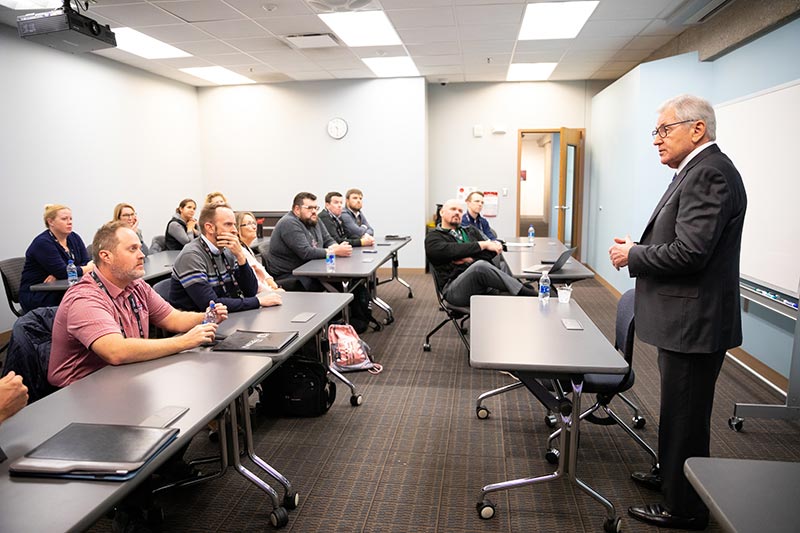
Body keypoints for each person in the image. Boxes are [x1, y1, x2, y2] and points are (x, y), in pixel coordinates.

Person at [608, 94, 747, 531]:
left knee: (685, 416)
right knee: (676, 409)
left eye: (664, 130)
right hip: (687, 320)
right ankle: (669, 474)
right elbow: (684, 240)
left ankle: (684, 507)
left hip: (694, 323)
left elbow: (690, 253)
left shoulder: (709, 174)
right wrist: (641, 248)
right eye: (657, 131)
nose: (657, 140)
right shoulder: (697, 170)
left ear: (697, 129)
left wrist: (634, 255)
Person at [48, 221, 227, 388]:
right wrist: (184, 342)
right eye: (132, 249)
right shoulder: (84, 298)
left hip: (124, 376)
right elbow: (115, 351)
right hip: (81, 390)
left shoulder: (135, 285)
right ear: (106, 256)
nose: (142, 255)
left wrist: (206, 317)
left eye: (140, 248)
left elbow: (173, 318)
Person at [169, 203, 281, 313]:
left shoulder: (228, 250)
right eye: (228, 224)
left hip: (227, 317)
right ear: (210, 228)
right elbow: (210, 304)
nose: (235, 230)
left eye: (234, 224)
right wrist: (258, 301)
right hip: (197, 321)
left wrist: (241, 256)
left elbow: (250, 291)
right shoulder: (191, 256)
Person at [425, 199, 537, 307]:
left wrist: (470, 259)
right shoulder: (433, 237)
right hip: (454, 289)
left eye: (460, 211)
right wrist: (482, 245)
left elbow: (490, 252)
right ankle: (526, 291)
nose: (457, 213)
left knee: (501, 268)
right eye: (453, 209)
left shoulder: (470, 231)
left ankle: (522, 293)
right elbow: (450, 250)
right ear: (442, 212)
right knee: (479, 267)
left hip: (481, 283)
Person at [268, 192, 352, 291]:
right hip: (291, 274)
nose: (314, 211)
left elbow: (328, 239)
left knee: (347, 279)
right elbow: (306, 252)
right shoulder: (289, 223)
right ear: (297, 209)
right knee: (333, 283)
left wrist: (337, 247)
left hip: (311, 267)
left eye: (315, 208)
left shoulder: (314, 219)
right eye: (309, 208)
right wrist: (334, 251)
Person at [19, 204, 95, 313]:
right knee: (84, 302)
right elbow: (65, 271)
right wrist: (85, 269)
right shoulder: (43, 243)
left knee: (92, 296)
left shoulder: (74, 237)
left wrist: (61, 275)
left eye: (71, 218)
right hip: (39, 294)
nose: (69, 222)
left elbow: (84, 261)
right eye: (64, 219)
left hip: (62, 288)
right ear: (51, 222)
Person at [235, 211, 283, 294]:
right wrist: (273, 291)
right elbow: (256, 283)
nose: (254, 227)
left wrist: (273, 285)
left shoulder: (247, 249)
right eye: (249, 224)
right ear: (238, 228)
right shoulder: (241, 252)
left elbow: (262, 271)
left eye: (254, 223)